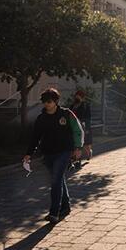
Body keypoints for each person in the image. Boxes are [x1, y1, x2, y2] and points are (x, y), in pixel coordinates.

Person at [24, 88, 84, 224]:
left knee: (55, 181)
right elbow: (35, 137)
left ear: (56, 101)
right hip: (48, 153)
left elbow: (78, 130)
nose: (47, 104)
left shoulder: (66, 114)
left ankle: (54, 213)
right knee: (58, 179)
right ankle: (66, 206)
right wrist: (29, 153)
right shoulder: (41, 118)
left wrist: (78, 148)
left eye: (49, 101)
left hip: (64, 152)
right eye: (44, 102)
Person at [69, 90, 92, 165]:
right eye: (76, 95)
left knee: (85, 143)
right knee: (78, 143)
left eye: (78, 95)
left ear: (81, 97)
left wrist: (87, 128)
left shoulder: (85, 105)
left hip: (83, 126)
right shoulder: (73, 105)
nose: (76, 97)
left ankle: (89, 153)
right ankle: (77, 159)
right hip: (74, 126)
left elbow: (88, 117)